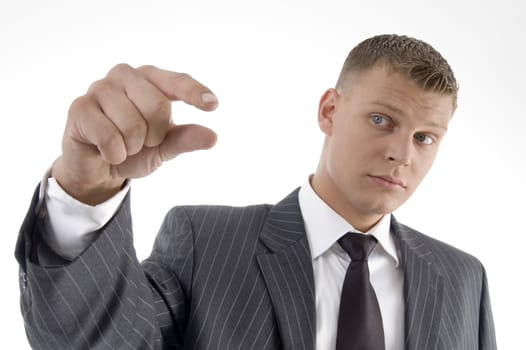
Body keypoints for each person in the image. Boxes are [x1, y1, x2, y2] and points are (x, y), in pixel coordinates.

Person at [16, 34, 497, 350]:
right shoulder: (206, 242)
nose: (402, 154)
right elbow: (100, 340)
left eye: (424, 138)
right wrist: (85, 190)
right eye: (381, 120)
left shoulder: (463, 280)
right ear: (329, 111)